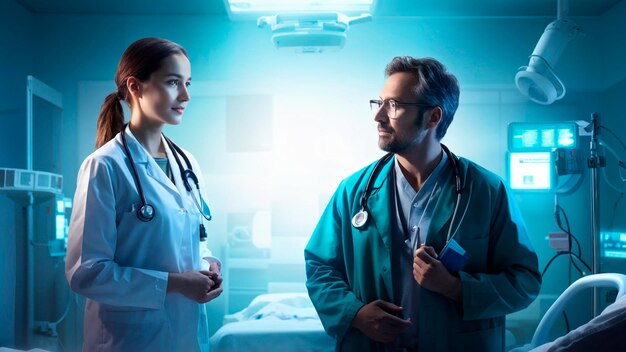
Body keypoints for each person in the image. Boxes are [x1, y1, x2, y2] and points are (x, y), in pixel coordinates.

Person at [304, 56, 541, 351]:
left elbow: (524, 280)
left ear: (433, 117)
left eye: (393, 105)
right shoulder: (353, 190)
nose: (378, 117)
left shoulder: (486, 190)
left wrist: (456, 288)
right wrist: (356, 314)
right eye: (377, 103)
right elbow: (320, 266)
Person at [65, 37, 222, 352]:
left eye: (188, 83)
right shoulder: (103, 166)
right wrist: (174, 283)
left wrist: (207, 262)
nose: (186, 95)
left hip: (183, 336)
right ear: (135, 87)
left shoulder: (187, 163)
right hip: (127, 340)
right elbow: (87, 273)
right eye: (173, 82)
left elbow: (191, 240)